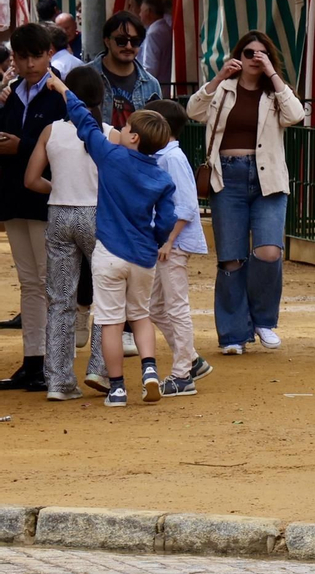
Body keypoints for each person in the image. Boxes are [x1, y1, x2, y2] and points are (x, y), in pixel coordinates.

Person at [49, 70, 177, 408]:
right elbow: (166, 220)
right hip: (142, 256)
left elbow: (84, 123)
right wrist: (155, 240)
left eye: (125, 127)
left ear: (133, 138)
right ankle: (150, 370)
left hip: (108, 252)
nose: (119, 129)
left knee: (109, 321)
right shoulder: (161, 177)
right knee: (140, 316)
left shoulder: (110, 157)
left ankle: (117, 387)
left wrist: (62, 88)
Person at [188, 31, 305, 355]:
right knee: (231, 259)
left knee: (269, 251)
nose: (255, 57)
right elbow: (193, 111)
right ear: (238, 55)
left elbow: (296, 115)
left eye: (261, 52)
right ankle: (232, 334)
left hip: (267, 179)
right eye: (249, 52)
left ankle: (262, 320)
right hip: (228, 177)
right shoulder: (224, 89)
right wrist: (218, 77)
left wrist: (272, 73)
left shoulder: (274, 92)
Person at [23, 67, 109, 400]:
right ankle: (100, 369)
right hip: (97, 213)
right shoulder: (109, 133)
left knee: (60, 301)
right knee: (106, 297)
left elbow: (31, 180)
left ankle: (58, 380)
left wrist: (57, 187)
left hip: (58, 212)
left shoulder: (51, 131)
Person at [0, 24, 67, 392]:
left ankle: (49, 363)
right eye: (21, 57)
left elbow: (65, 146)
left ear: (49, 55)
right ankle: (33, 362)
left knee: (45, 281)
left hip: (47, 196)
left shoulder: (59, 95)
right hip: (15, 195)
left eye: (34, 56)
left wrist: (20, 146)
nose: (28, 64)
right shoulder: (11, 95)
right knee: (30, 282)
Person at [145, 99, 211, 396]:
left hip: (173, 243)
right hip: (166, 242)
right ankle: (192, 359)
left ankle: (183, 372)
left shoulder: (171, 158)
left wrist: (170, 241)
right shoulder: (163, 154)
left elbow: (186, 205)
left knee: (174, 307)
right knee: (156, 308)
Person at [90, 12, 162, 127]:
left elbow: (155, 131)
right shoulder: (86, 76)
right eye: (121, 41)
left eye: (135, 41)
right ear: (107, 41)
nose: (128, 46)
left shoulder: (151, 84)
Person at [138, 0, 173, 89]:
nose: (139, 14)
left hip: (156, 87)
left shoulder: (153, 33)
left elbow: (150, 66)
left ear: (148, 12)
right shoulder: (166, 29)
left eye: (141, 11)